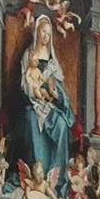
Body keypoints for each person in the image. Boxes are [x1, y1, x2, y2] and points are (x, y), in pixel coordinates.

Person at [20, 16, 79, 181]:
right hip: (33, 104)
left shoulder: (53, 61)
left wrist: (54, 94)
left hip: (51, 106)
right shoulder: (28, 55)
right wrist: (34, 92)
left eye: (49, 34)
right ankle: (37, 177)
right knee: (32, 121)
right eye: (43, 32)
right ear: (37, 33)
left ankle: (56, 179)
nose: (46, 36)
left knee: (61, 125)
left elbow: (57, 86)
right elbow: (25, 83)